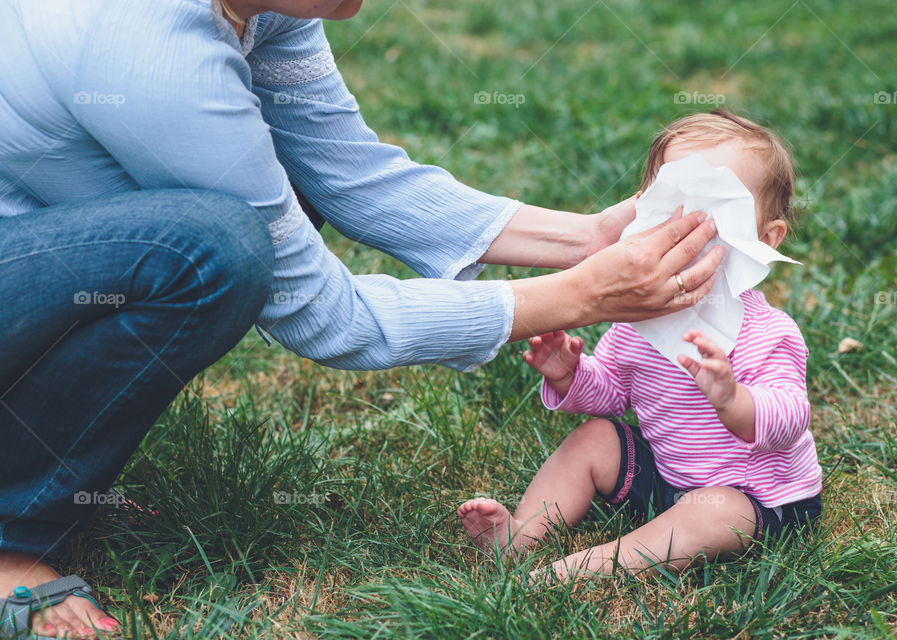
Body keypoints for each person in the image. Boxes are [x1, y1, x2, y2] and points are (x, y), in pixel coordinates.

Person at [0, 0, 725, 636]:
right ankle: (11, 534)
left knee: (263, 202)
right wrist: (581, 296)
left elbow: (349, 170)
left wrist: (589, 239)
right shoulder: (148, 50)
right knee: (218, 249)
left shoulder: (268, 6)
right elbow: (325, 316)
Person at [458, 110, 823, 582]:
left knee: (713, 514)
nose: (690, 226)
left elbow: (791, 418)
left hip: (757, 499)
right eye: (673, 201)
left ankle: (587, 568)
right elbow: (612, 392)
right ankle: (520, 535)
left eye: (716, 209)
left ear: (766, 238)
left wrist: (734, 400)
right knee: (595, 436)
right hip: (668, 478)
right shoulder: (640, 319)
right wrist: (571, 374)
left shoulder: (768, 331)